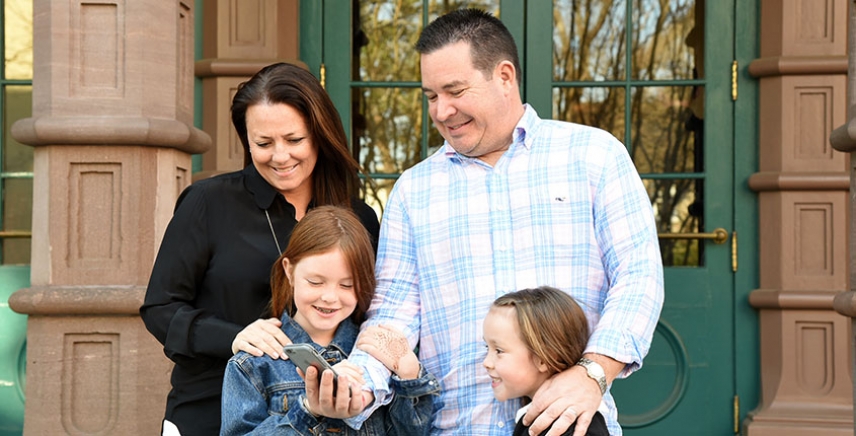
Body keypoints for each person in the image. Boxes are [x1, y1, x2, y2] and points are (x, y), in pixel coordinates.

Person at [322, 8, 664, 436]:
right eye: (431, 96)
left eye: (455, 90)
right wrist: (356, 384)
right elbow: (394, 313)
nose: (442, 111)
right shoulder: (413, 191)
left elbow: (638, 278)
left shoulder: (594, 157)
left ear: (504, 76)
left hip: (568, 428)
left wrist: (592, 373)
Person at [140, 62, 380, 436]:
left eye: (294, 140)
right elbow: (160, 308)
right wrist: (233, 336)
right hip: (210, 412)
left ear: (320, 135)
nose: (280, 156)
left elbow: (370, 315)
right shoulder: (207, 202)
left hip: (325, 422)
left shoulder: (357, 218)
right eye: (263, 144)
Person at [220, 206, 438, 435]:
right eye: (315, 282)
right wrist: (308, 410)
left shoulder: (375, 355)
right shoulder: (253, 363)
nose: (330, 297)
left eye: (346, 285)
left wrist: (409, 376)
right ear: (289, 271)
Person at [483, 287, 609, 436]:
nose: (486, 362)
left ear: (543, 359)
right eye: (487, 348)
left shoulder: (568, 427)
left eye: (499, 351)